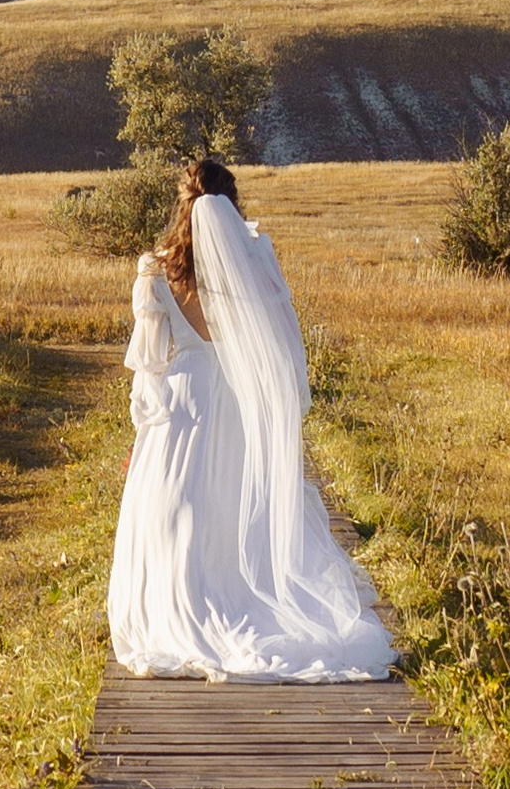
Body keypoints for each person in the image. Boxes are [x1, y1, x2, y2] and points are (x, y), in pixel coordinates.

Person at [106, 156, 394, 681]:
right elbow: (280, 337)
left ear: (182, 205)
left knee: (179, 508)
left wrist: (143, 425)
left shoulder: (156, 270)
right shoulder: (256, 256)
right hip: (238, 398)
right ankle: (244, 595)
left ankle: (182, 603)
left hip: (184, 401)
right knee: (236, 504)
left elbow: (149, 367)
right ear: (232, 204)